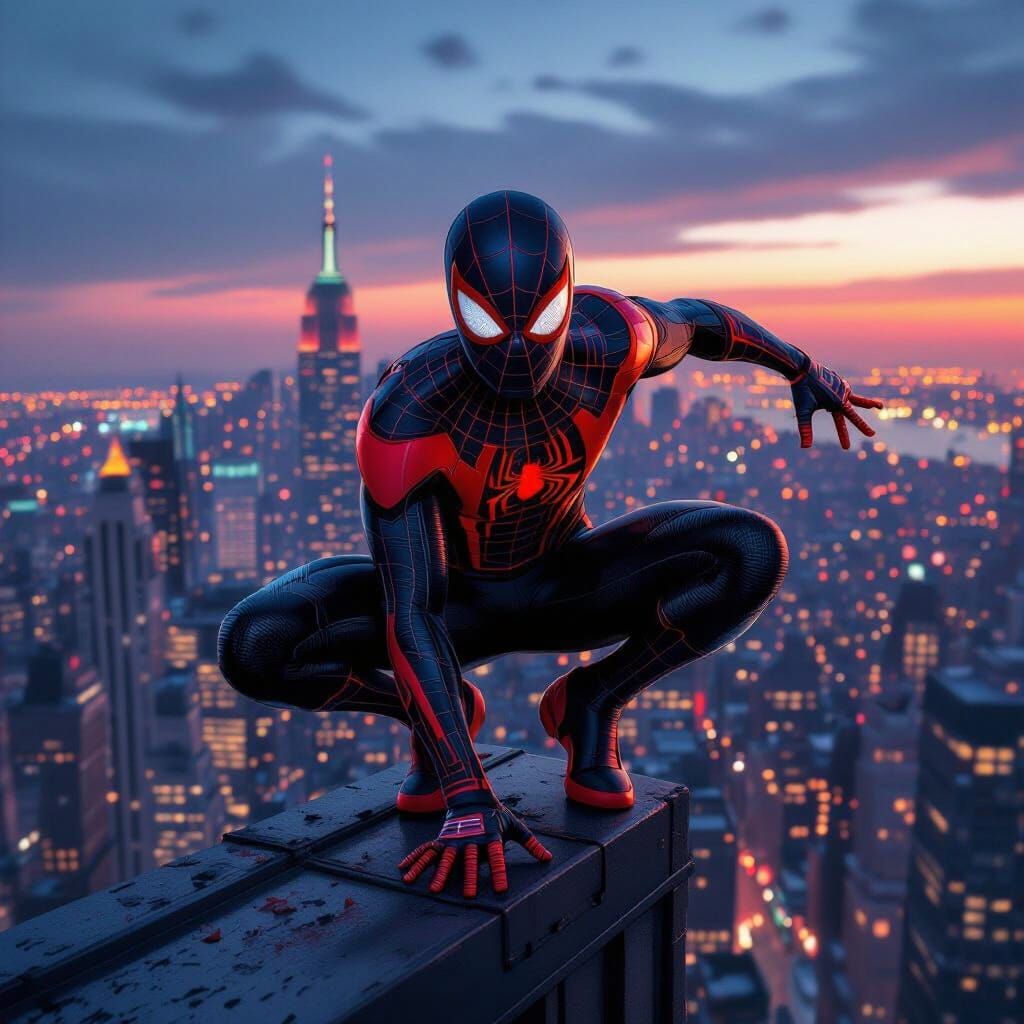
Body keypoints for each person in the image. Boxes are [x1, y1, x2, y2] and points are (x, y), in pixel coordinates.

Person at [219, 190, 883, 899]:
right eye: (486, 320)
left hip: (567, 581)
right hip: (450, 608)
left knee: (751, 552)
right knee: (254, 644)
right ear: (456, 306)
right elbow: (411, 609)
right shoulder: (408, 408)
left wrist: (800, 366)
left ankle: (591, 703)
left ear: (566, 297)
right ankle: (432, 715)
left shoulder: (615, 340)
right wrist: (466, 788)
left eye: (537, 321)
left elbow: (703, 322)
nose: (514, 347)